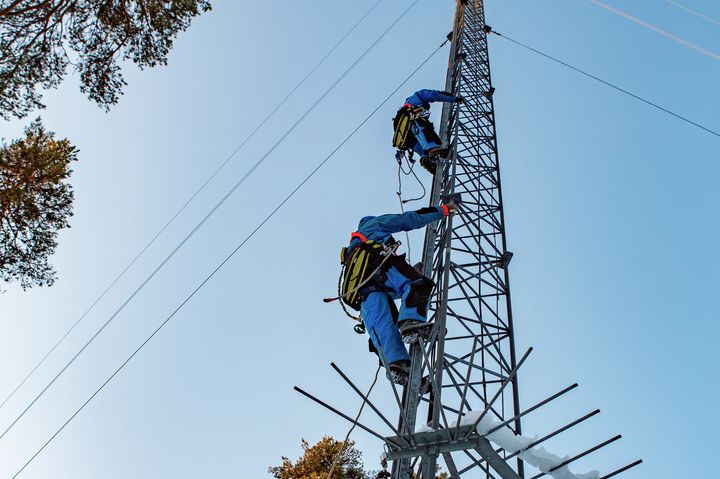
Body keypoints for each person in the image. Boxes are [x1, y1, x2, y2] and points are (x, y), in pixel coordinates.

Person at [340, 202, 458, 385]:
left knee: (383, 325)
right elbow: (405, 220)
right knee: (418, 284)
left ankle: (397, 365)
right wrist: (441, 211)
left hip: (362, 293)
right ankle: (411, 322)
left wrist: (410, 271)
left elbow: (388, 285)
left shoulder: (351, 252)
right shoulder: (374, 225)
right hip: (378, 267)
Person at [392, 89, 463, 174]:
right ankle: (434, 149)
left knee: (421, 148)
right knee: (426, 131)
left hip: (403, 133)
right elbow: (434, 95)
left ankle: (426, 159)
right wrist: (454, 99)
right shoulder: (417, 97)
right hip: (411, 121)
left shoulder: (405, 109)